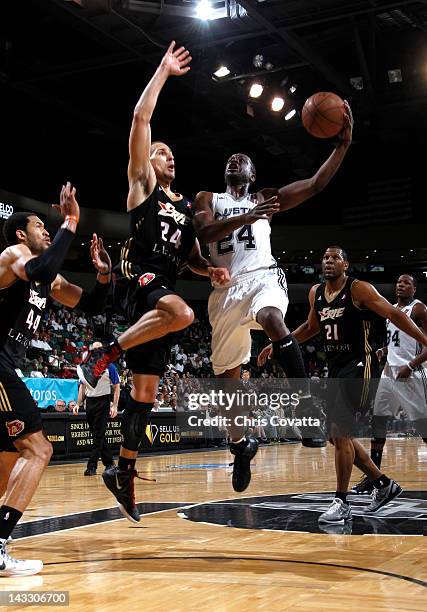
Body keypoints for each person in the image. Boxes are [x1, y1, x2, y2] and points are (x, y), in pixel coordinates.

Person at [77, 41, 229, 523]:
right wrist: (163, 72)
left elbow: (191, 259)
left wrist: (212, 270)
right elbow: (141, 121)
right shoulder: (141, 188)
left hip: (162, 292)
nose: (168, 158)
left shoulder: (184, 208)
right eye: (162, 154)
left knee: (144, 394)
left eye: (170, 155)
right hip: (138, 284)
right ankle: (105, 354)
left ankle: (122, 473)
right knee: (183, 313)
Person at [193, 106, 354, 491]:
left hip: (263, 277)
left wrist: (343, 145)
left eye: (244, 160)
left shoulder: (266, 199)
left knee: (272, 318)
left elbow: (315, 184)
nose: (236, 160)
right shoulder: (207, 198)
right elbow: (205, 233)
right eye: (232, 159)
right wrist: (247, 218)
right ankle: (241, 446)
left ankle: (305, 406)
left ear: (252, 175)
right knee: (227, 382)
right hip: (224, 290)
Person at [259, 247, 427, 523]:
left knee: (339, 429)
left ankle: (341, 501)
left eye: (335, 257)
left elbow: (394, 315)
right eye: (325, 257)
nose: (328, 261)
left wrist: (424, 338)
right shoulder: (316, 293)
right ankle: (383, 484)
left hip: (361, 366)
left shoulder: (359, 289)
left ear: (346, 264)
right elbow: (311, 328)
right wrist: (278, 345)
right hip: (335, 368)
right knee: (337, 435)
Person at [0, 182, 112, 576]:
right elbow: (41, 267)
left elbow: (93, 305)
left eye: (50, 228)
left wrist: (103, 276)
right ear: (20, 233)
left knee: (9, 460)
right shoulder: (15, 254)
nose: (46, 231)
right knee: (39, 451)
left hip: (6, 367)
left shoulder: (50, 281)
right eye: (39, 226)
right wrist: (70, 221)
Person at [352, 274, 427, 494]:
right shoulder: (391, 310)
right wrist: (384, 351)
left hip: (411, 374)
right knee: (378, 424)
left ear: (414, 288)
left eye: (406, 283)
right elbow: (396, 341)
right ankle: (373, 476)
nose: (400, 285)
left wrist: (411, 366)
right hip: (389, 372)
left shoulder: (419, 309)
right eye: (398, 282)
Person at [75, 343, 120, 476]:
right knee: (97, 435)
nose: (96, 351)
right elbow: (82, 387)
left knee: (98, 435)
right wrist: (78, 403)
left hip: (103, 402)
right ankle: (110, 462)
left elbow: (117, 386)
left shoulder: (110, 366)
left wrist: (115, 405)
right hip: (90, 402)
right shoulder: (85, 368)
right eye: (94, 349)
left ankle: (92, 465)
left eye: (98, 349)